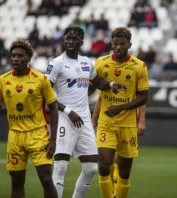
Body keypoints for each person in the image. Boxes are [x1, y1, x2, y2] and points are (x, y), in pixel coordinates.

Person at [45, 27, 127, 198]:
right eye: (68, 38)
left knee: (90, 169)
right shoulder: (56, 63)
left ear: (82, 42)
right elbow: (45, 96)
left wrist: (112, 85)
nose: (71, 42)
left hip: (83, 121)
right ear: (64, 41)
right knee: (60, 167)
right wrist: (68, 111)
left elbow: (98, 83)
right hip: (64, 119)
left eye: (75, 39)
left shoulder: (87, 63)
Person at [0, 39, 58, 198]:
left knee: (46, 180)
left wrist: (53, 139)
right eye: (13, 56)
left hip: (38, 135)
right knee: (16, 182)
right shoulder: (3, 80)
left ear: (29, 58)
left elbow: (53, 108)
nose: (15, 59)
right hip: (15, 137)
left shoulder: (41, 79)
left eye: (20, 56)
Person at [93, 27, 149, 198]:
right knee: (104, 165)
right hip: (106, 124)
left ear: (129, 45)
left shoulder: (139, 66)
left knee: (124, 173)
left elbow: (144, 97)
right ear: (111, 44)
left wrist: (122, 108)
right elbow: (97, 94)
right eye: (115, 43)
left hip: (127, 125)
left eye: (122, 44)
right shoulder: (101, 63)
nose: (118, 47)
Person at [91, 97, 146, 197]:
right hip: (108, 125)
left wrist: (141, 120)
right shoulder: (107, 84)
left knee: (119, 162)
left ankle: (116, 189)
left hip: (128, 125)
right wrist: (93, 119)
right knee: (106, 161)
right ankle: (111, 187)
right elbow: (100, 99)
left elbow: (142, 98)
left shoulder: (135, 84)